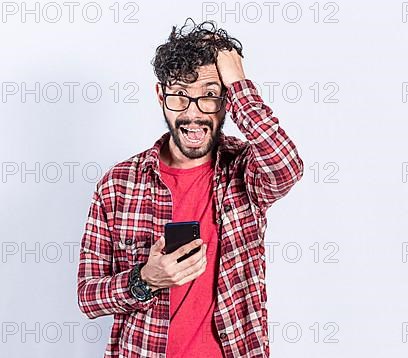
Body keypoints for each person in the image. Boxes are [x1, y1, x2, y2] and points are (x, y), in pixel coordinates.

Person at [76, 19, 303, 357]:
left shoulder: (245, 170)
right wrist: (145, 280)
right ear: (160, 96)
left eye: (209, 96)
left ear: (227, 100)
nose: (194, 114)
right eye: (180, 95)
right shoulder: (118, 184)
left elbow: (287, 165)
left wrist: (239, 83)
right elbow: (88, 296)